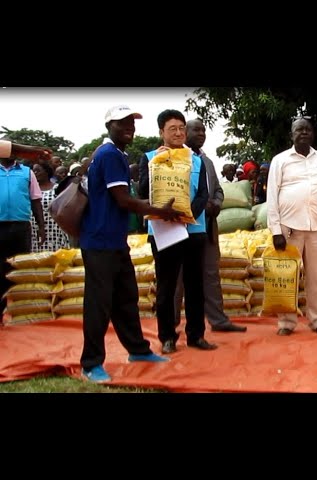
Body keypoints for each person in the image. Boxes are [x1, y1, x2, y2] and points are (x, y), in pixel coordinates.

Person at [79, 105, 182, 383]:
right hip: (99, 242)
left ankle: (137, 350)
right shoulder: (110, 154)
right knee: (99, 303)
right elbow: (123, 200)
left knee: (126, 297)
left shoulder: (117, 154)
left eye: (132, 123)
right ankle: (90, 363)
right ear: (109, 126)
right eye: (122, 123)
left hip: (114, 240)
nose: (130, 128)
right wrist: (159, 210)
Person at [141, 109, 216, 354]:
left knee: (195, 285)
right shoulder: (150, 157)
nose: (178, 133)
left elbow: (204, 194)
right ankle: (167, 337)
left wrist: (187, 215)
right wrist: (155, 164)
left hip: (194, 230)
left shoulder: (196, 160)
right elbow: (142, 191)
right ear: (161, 132)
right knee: (167, 285)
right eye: (172, 128)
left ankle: (196, 335)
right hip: (164, 230)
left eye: (182, 128)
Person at [266, 116, 317, 335]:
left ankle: (316, 319)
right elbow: (272, 197)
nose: (304, 133)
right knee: (287, 277)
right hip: (289, 229)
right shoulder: (280, 160)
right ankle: (286, 323)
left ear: (313, 134)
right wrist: (276, 231)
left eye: (307, 129)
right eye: (299, 130)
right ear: (291, 135)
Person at [173, 118, 247, 333]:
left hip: (208, 227)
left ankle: (218, 320)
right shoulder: (177, 159)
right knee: (178, 279)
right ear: (184, 132)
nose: (202, 133)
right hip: (183, 228)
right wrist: (200, 205)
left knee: (210, 275)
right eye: (197, 129)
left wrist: (216, 203)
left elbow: (218, 190)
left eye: (204, 130)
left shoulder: (207, 161)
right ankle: (172, 324)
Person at [0, 140, 51, 318]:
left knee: (19, 269)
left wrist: (41, 228)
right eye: (10, 149)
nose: (13, 152)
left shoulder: (27, 173)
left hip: (20, 227)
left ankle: (19, 311)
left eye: (16, 150)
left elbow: (36, 201)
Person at [30, 162, 70, 252]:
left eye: (38, 171)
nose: (35, 173)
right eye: (33, 171)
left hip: (54, 228)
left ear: (46, 172)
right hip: (35, 228)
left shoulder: (58, 189)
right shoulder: (29, 190)